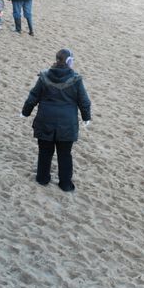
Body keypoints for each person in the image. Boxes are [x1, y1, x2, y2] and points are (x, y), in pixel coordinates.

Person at [21, 49, 91, 191]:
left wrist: (25, 112)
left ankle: (42, 178)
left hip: (45, 120)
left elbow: (33, 97)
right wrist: (86, 117)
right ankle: (65, 184)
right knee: (65, 154)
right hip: (67, 124)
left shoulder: (44, 76)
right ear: (69, 62)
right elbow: (84, 101)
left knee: (45, 151)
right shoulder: (76, 80)